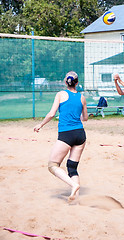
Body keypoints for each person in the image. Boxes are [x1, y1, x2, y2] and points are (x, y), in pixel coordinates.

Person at [34, 71, 88, 200]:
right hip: (80, 134)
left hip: (66, 134)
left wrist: (40, 125)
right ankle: (76, 199)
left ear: (65, 82)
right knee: (72, 168)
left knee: (52, 166)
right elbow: (85, 118)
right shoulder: (82, 97)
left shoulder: (60, 94)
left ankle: (74, 185)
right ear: (77, 83)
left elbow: (52, 114)